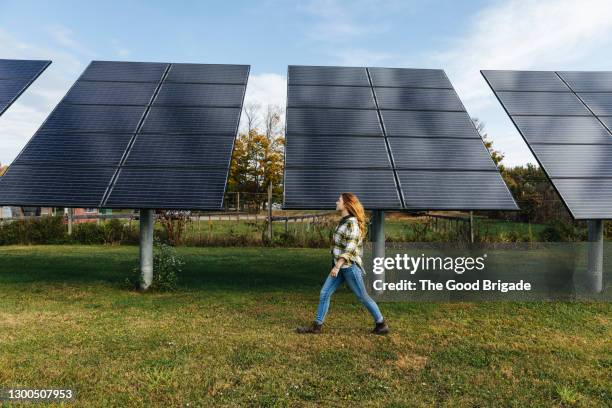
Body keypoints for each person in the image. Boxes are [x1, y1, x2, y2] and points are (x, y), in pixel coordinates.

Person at [296, 192, 389, 335]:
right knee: (325, 293)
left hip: (349, 267)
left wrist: (337, 266)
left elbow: (350, 248)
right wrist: (337, 265)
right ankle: (317, 326)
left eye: (338, 200)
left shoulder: (352, 224)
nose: (336, 202)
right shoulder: (344, 221)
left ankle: (381, 324)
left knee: (362, 296)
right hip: (340, 267)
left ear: (346, 204)